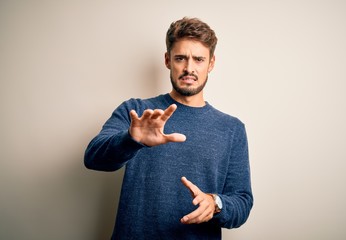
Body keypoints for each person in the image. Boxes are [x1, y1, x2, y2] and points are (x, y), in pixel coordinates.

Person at [84, 17, 253, 240]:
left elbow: (242, 202)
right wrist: (131, 140)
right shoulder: (137, 112)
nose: (189, 68)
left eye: (199, 59)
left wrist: (215, 203)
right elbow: (93, 158)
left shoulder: (232, 129)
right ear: (167, 60)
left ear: (211, 63)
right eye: (181, 58)